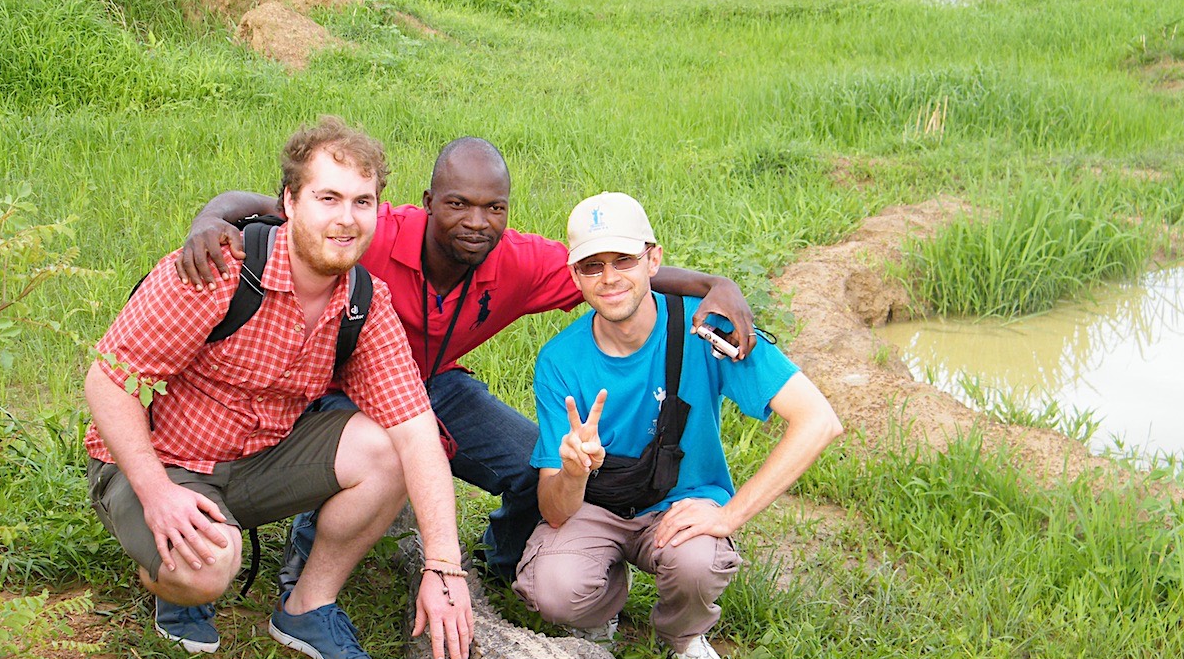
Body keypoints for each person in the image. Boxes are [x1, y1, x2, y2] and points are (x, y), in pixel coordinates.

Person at [176, 137, 760, 595]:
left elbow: (616, 273)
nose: (476, 221)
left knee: (539, 462)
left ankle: (506, 564)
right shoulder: (376, 234)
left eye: (493, 207)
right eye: (457, 204)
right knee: (381, 446)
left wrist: (716, 284)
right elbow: (266, 208)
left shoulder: (519, 261)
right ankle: (306, 579)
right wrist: (209, 218)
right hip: (339, 391)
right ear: (429, 203)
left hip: (437, 385)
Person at [84, 116, 472, 659]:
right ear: (289, 201)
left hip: (254, 464)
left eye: (362, 202)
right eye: (328, 198)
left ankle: (307, 609)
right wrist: (156, 491)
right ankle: (171, 584)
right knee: (212, 565)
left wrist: (444, 566)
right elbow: (108, 380)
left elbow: (416, 429)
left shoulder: (364, 303)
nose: (346, 219)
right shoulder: (220, 267)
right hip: (157, 461)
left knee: (389, 445)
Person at [515, 192, 842, 659]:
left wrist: (731, 514)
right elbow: (554, 510)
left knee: (697, 562)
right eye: (592, 266)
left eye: (624, 260)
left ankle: (683, 633)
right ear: (574, 276)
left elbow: (818, 421)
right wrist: (571, 471)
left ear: (654, 259)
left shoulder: (706, 328)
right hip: (595, 508)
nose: (609, 279)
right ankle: (598, 612)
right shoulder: (559, 360)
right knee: (554, 590)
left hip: (680, 501)